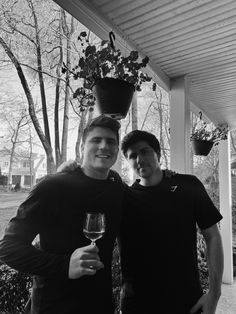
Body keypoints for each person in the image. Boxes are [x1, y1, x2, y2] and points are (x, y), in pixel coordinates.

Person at [0, 115, 125, 314]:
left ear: (117, 149)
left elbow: (143, 201)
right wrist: (64, 265)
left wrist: (164, 178)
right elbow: (8, 248)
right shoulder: (53, 187)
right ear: (83, 146)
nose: (104, 146)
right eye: (96, 140)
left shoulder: (116, 186)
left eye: (111, 141)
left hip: (100, 305)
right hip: (54, 305)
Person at [119, 130, 224, 314]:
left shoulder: (188, 185)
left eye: (144, 151)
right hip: (137, 305)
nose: (139, 159)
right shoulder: (123, 198)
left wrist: (214, 294)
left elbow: (213, 236)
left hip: (187, 303)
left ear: (158, 154)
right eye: (132, 156)